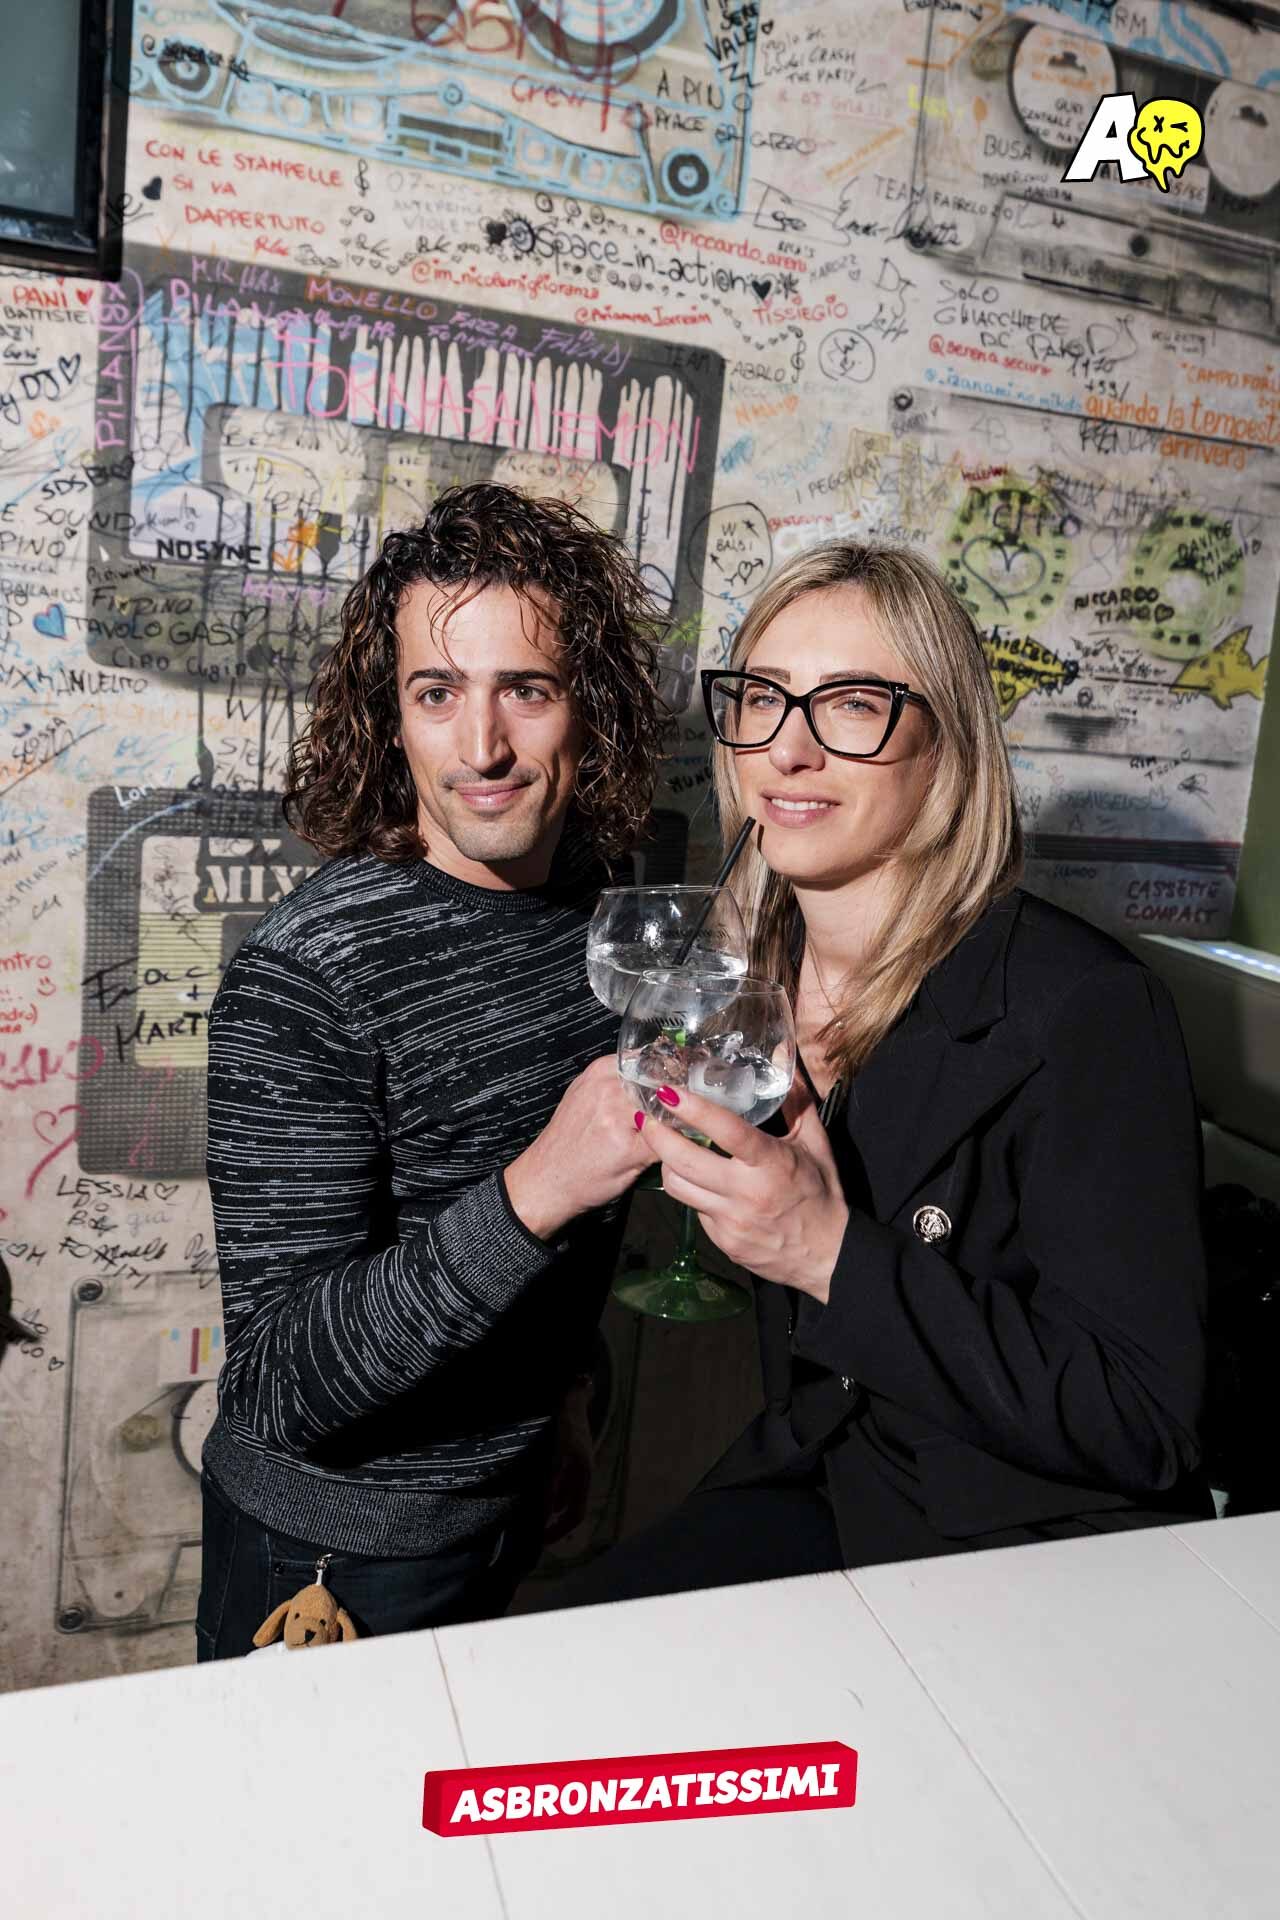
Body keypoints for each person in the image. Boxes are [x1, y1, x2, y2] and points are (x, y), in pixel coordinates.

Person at [550, 540, 1214, 1610]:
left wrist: (829, 1254)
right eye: (762, 697)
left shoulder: (1086, 1010)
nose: (788, 750)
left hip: (1026, 1557)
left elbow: (1141, 1420)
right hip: (820, 1483)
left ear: (943, 745)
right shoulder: (753, 972)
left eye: (852, 704)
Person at [196, 482, 663, 1657]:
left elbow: (556, 1261)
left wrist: (567, 1400)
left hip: (509, 1513)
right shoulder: (309, 974)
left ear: (590, 709)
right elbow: (276, 1387)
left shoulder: (597, 917)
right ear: (390, 718)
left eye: (527, 689)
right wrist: (537, 1187)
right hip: (330, 1559)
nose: (483, 746)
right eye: (438, 693)